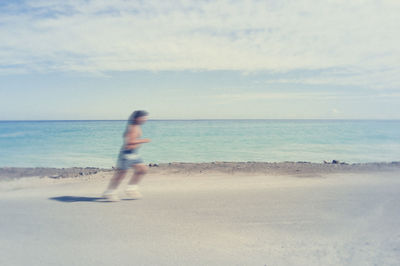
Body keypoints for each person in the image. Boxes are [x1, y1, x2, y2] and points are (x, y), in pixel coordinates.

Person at [103, 110, 151, 201]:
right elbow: (129, 141)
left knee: (143, 169)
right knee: (121, 174)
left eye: (146, 118)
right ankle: (110, 192)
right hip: (127, 154)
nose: (145, 119)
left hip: (134, 154)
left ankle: (131, 189)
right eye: (144, 117)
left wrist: (138, 144)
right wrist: (143, 141)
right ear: (137, 118)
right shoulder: (132, 127)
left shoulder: (137, 126)